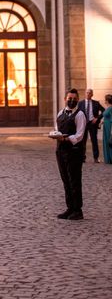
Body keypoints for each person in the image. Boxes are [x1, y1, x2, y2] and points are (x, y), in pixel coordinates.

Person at [53, 88, 86, 220]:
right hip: (60, 151)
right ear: (65, 99)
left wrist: (66, 139)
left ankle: (78, 210)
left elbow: (80, 135)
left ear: (77, 100)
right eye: (69, 98)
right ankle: (69, 208)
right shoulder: (60, 113)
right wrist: (56, 135)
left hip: (74, 152)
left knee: (74, 180)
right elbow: (57, 128)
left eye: (74, 99)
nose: (71, 100)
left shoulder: (80, 115)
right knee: (65, 180)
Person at [77, 88, 104, 163]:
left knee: (94, 141)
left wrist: (97, 118)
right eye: (87, 93)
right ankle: (82, 157)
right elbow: (78, 113)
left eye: (90, 93)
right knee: (83, 141)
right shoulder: (80, 103)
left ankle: (96, 158)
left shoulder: (96, 103)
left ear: (92, 94)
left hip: (92, 124)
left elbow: (104, 111)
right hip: (84, 124)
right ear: (85, 94)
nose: (88, 94)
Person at [102, 94, 112, 165]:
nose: (104, 101)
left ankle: (111, 158)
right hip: (105, 126)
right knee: (106, 142)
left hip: (109, 127)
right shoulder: (107, 107)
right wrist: (102, 121)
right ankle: (107, 158)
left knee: (110, 142)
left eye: (105, 100)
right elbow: (106, 116)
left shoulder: (111, 108)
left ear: (108, 100)